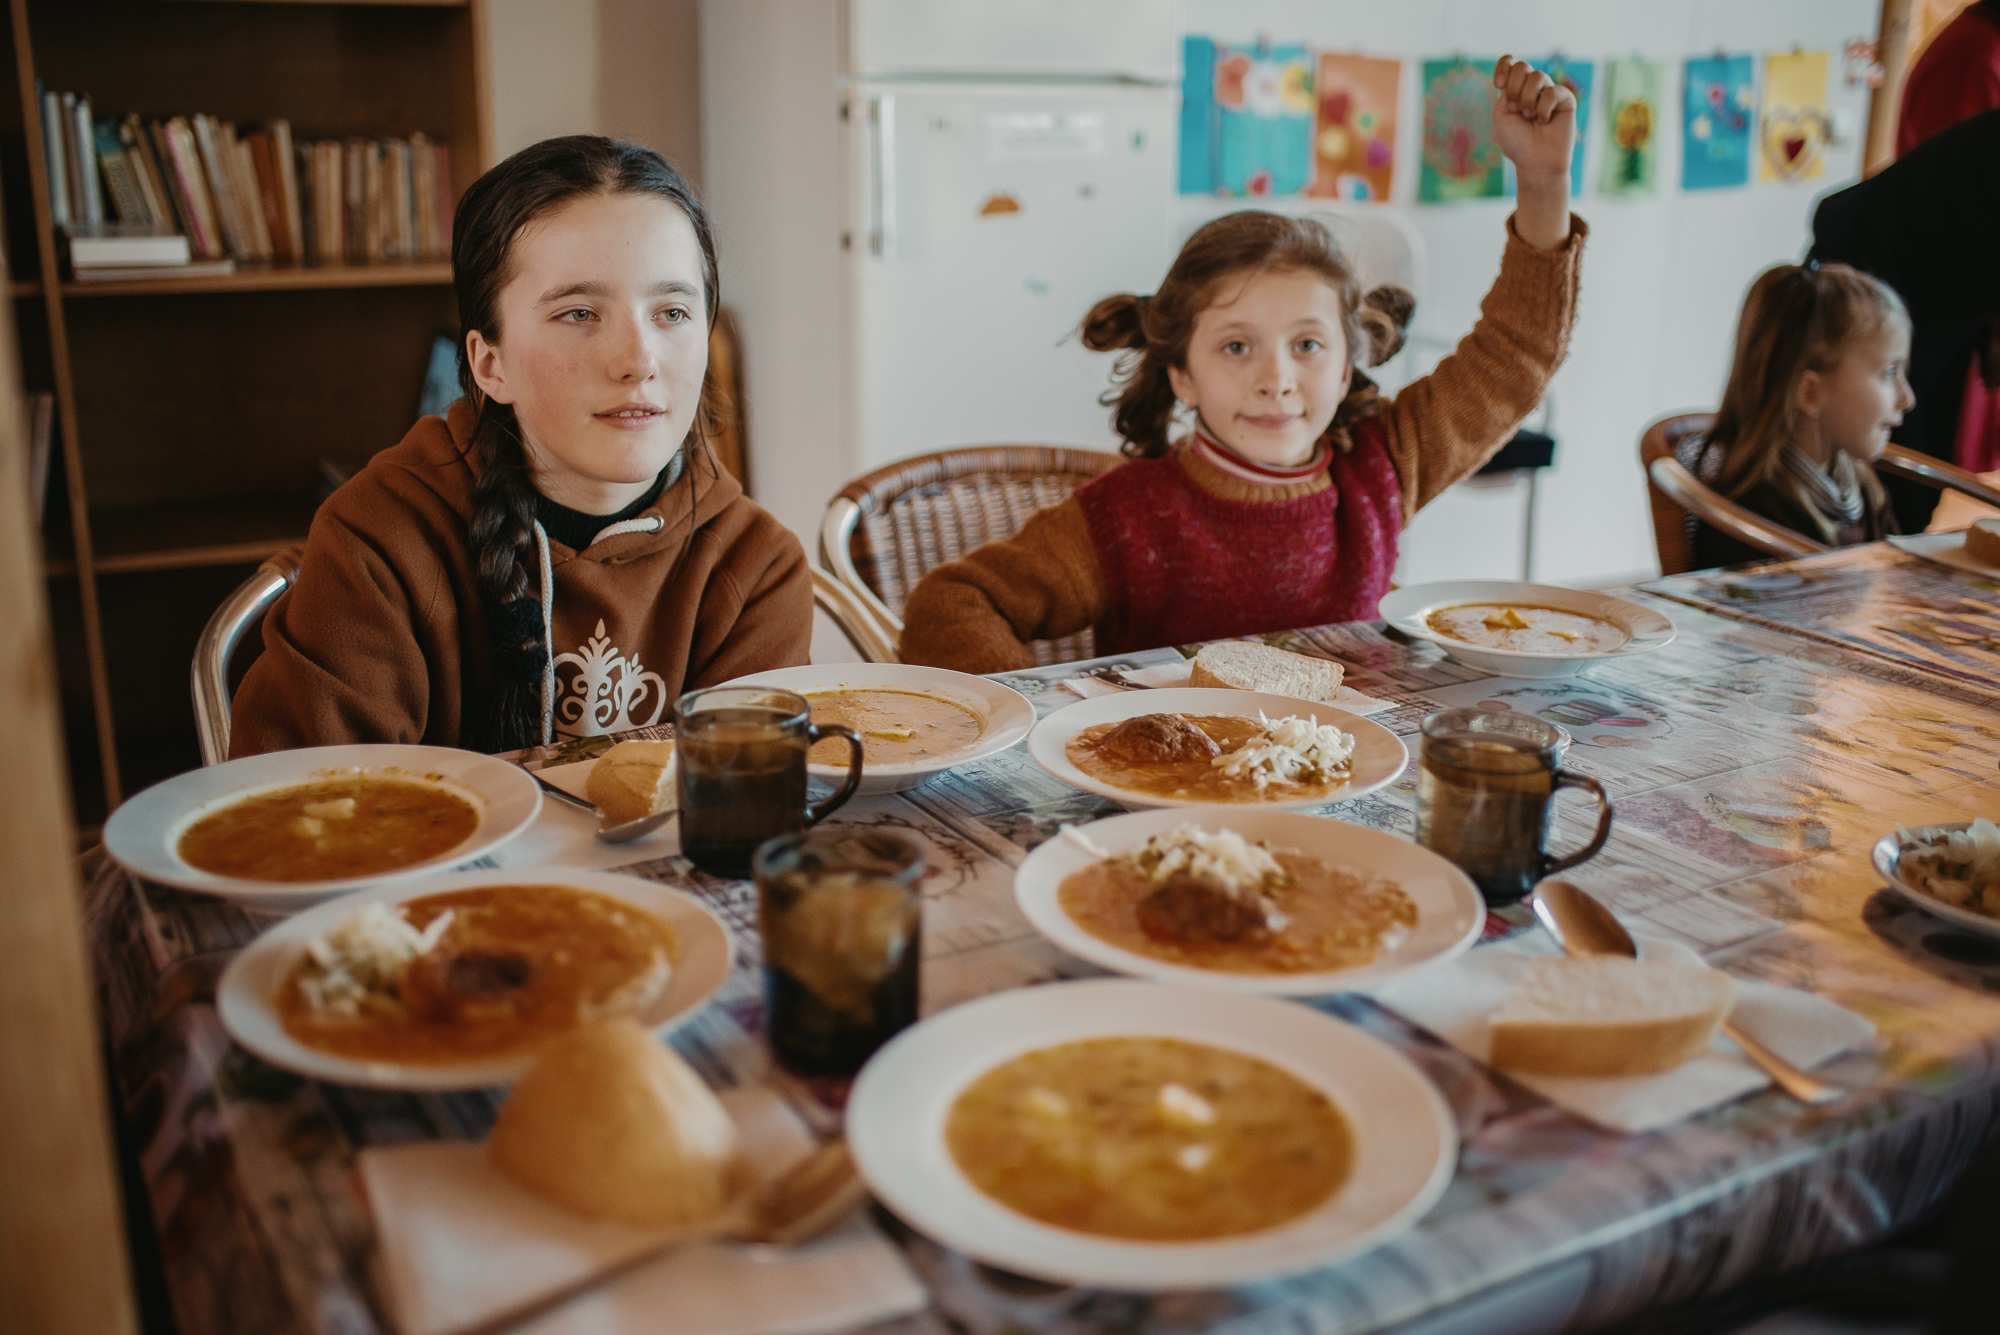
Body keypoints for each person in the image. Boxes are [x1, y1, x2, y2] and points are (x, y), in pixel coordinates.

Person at [898, 57, 1585, 673]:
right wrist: (1051, 721)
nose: (1277, 377)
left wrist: (1544, 182)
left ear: (1347, 367)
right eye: (1236, 346)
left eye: (1308, 345)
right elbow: (952, 603)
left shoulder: (1385, 465)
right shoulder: (1126, 517)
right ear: (1182, 375)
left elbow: (1517, 351)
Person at [230, 136, 811, 755]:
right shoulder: (379, 540)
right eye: (580, 314)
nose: (639, 361)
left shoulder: (755, 566)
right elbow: (308, 812)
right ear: (488, 362)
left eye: (671, 313)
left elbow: (752, 813)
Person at [1689, 262, 1914, 570]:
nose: (1907, 398)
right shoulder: (1754, 516)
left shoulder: (1863, 490)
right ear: (1811, 393)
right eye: (1888, 372)